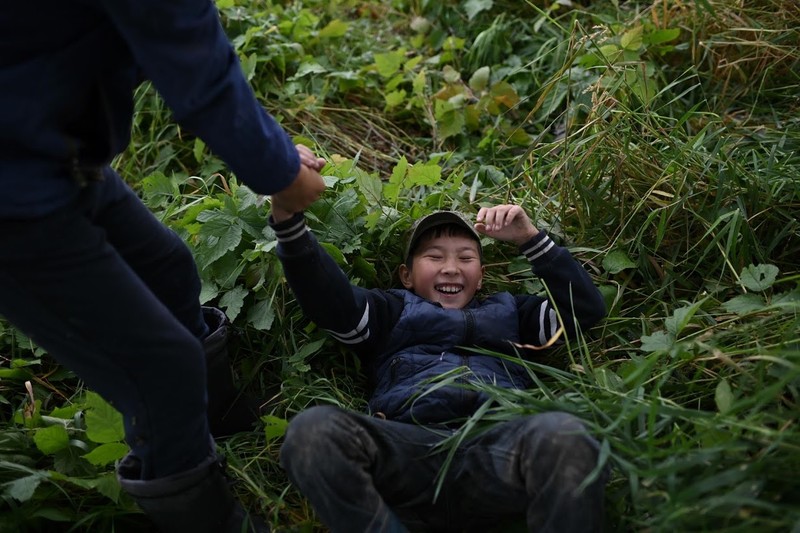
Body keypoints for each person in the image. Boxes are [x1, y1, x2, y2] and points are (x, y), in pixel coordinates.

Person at [0, 1, 326, 532]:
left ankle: (212, 427)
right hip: (17, 199)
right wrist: (282, 173)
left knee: (168, 267)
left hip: (53, 152)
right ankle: (203, 504)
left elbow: (170, 46)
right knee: (162, 370)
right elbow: (200, 75)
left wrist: (272, 152)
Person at [269, 203, 608, 532]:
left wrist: (530, 238)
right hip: (411, 455)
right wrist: (288, 220)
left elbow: (585, 309)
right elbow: (329, 298)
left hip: (498, 453)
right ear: (406, 275)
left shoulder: (514, 314)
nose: (451, 267)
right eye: (434, 256)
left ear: (480, 278)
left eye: (466, 257)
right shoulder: (389, 311)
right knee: (312, 432)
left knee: (567, 434)